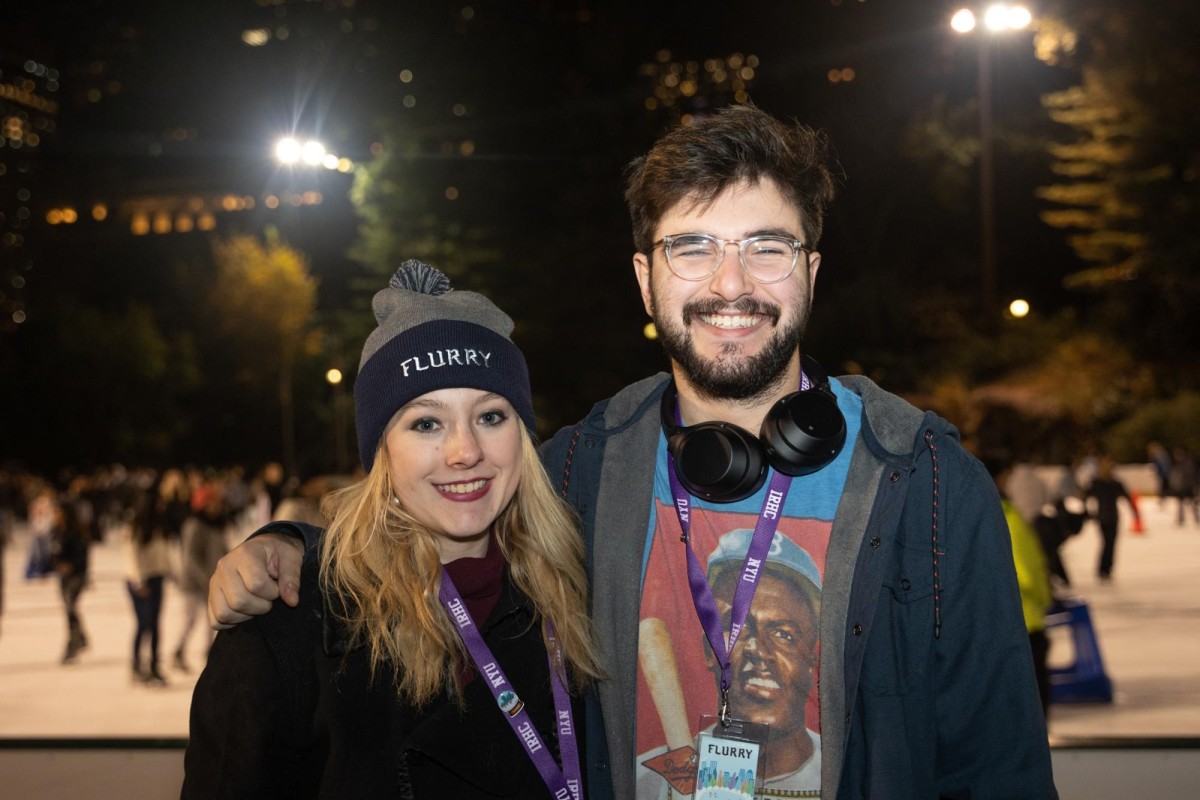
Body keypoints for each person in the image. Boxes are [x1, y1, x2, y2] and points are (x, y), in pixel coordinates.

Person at [207, 105, 1057, 798]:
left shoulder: (930, 486)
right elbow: (436, 518)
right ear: (647, 280)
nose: (732, 285)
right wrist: (288, 548)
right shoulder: (584, 469)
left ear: (811, 270)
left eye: (768, 246)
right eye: (693, 247)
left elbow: (1001, 774)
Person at [183, 261, 604, 799]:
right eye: (426, 423)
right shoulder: (286, 630)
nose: (466, 451)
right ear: (381, 451)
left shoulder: (573, 598)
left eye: (491, 416)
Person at [988, 459, 1054, 719]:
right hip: (1025, 621)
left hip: (1005, 623)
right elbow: (1026, 574)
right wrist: (1044, 599)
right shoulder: (1008, 518)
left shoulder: (988, 515)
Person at [1086, 455, 1142, 581]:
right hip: (1104, 517)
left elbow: (1127, 499)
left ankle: (1105, 569)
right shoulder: (1098, 483)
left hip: (1111, 517)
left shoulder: (1112, 483)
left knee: (1110, 543)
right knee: (1107, 543)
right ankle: (1104, 569)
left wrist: (1135, 514)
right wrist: (1088, 513)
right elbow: (1085, 497)